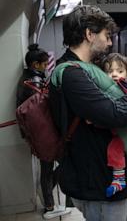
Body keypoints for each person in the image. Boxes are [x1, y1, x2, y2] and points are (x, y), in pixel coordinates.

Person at [50, 5, 127, 221]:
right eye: (106, 36)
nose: (108, 43)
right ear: (89, 34)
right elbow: (115, 114)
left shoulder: (87, 69)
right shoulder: (72, 74)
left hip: (109, 177)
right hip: (99, 183)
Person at [16, 44, 72, 220]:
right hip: (44, 133)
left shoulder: (27, 79)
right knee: (57, 165)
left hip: (38, 133)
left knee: (47, 168)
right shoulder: (34, 83)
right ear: (35, 64)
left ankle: (47, 196)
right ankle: (49, 205)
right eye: (44, 64)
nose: (46, 66)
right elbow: (45, 110)